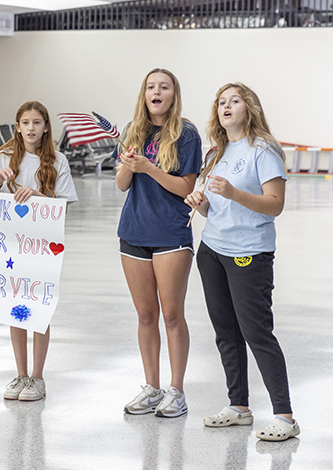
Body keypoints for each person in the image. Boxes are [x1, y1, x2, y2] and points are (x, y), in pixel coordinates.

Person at [185, 83, 299, 441]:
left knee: (256, 332)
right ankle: (239, 406)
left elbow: (275, 204)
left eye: (234, 100)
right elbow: (214, 208)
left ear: (249, 107)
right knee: (226, 333)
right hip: (212, 251)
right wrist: (201, 202)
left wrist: (234, 193)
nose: (226, 106)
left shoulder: (264, 150)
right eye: (221, 102)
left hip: (249, 253)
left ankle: (284, 416)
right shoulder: (216, 152)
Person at [117, 69, 202, 418]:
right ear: (144, 94)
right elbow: (122, 184)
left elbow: (186, 188)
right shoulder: (132, 131)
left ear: (173, 95)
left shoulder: (187, 134)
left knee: (171, 315)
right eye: (151, 87)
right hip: (133, 232)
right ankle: (151, 388)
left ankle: (176, 391)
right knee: (145, 315)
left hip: (170, 234)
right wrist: (129, 164)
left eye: (163, 87)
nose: (157, 92)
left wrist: (149, 167)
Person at [0, 101, 78, 401]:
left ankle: (38, 377)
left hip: (42, 245)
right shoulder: (5, 157)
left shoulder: (58, 161)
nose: (31, 128)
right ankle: (21, 374)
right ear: (17, 126)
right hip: (12, 244)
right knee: (16, 309)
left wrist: (39, 196)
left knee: (39, 309)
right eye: (25, 123)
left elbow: (64, 206)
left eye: (37, 122)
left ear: (46, 127)